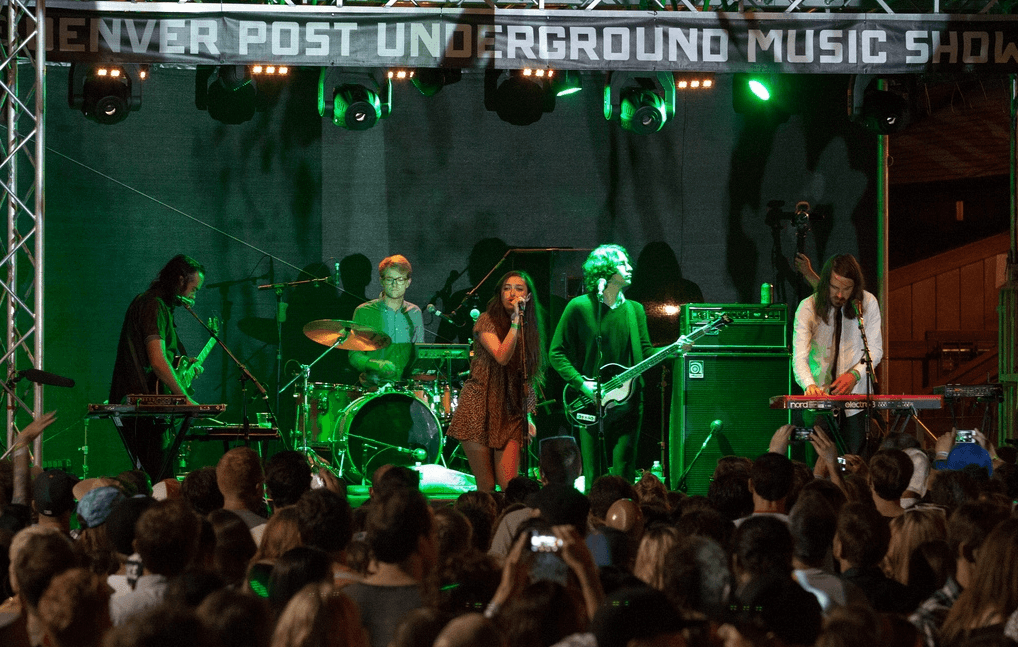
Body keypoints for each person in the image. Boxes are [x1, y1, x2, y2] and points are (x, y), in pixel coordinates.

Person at [549, 244, 654, 486]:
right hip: (592, 401)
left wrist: (676, 348)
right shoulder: (579, 307)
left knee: (625, 471)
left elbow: (646, 352)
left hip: (629, 402)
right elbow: (556, 353)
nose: (630, 268)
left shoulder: (634, 309)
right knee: (594, 473)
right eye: (622, 264)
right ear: (605, 271)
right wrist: (581, 383)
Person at [446, 270, 546, 492]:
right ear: (499, 294)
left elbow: (528, 376)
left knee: (509, 484)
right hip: (478, 405)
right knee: (487, 485)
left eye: (519, 289)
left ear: (528, 297)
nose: (512, 293)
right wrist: (515, 323)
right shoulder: (486, 320)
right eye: (506, 288)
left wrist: (528, 415)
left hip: (510, 409)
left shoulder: (531, 330)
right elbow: (501, 356)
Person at [108, 254, 206, 482]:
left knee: (154, 476)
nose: (194, 296)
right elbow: (157, 361)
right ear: (180, 280)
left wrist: (181, 365)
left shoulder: (153, 303)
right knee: (160, 479)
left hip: (143, 407)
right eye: (193, 288)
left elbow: (158, 360)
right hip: (144, 410)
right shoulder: (154, 305)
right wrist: (185, 399)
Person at [792, 254, 882, 455]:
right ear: (825, 283)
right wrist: (809, 384)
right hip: (819, 402)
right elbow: (799, 356)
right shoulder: (808, 307)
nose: (841, 295)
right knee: (818, 469)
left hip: (856, 402)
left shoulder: (868, 303)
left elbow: (875, 349)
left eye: (847, 289)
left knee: (855, 466)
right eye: (835, 287)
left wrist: (855, 374)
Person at [348, 255, 424, 386]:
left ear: (408, 282)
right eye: (390, 279)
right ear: (382, 281)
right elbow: (354, 356)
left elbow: (420, 354)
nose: (395, 285)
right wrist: (375, 365)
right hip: (373, 390)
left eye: (400, 279)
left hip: (405, 390)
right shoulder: (363, 311)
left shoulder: (415, 313)